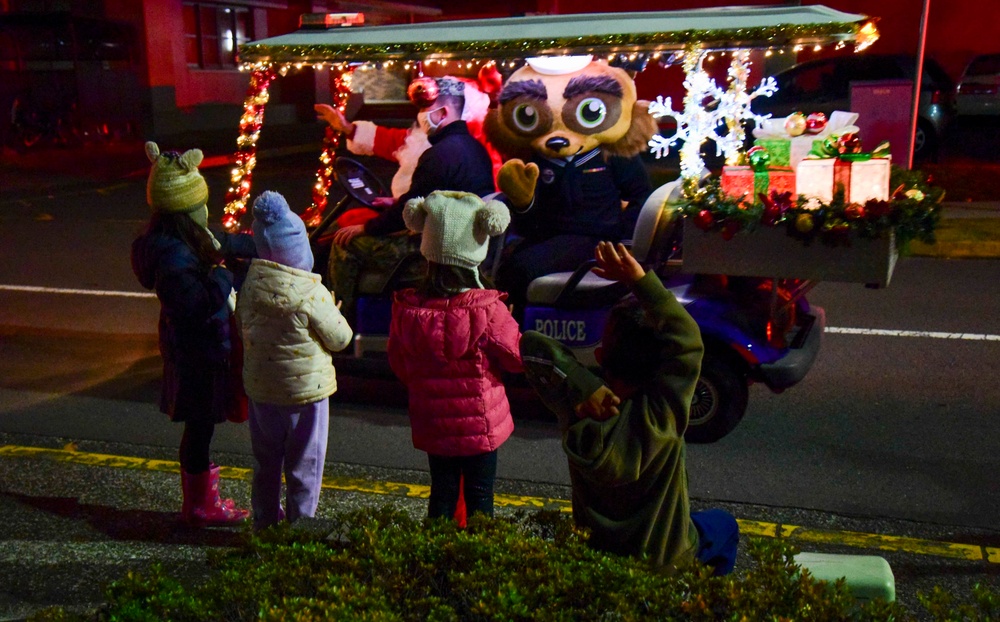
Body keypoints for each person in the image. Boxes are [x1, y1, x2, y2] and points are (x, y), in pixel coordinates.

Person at [519, 241, 739, 574]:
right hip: (664, 557)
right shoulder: (660, 410)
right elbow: (688, 341)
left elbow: (532, 345)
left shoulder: (576, 408)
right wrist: (641, 280)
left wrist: (582, 384)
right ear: (656, 364)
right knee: (725, 527)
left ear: (600, 357)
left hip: (599, 557)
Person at [131, 141, 256, 527]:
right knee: (199, 428)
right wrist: (223, 274)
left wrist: (242, 245)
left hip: (192, 349)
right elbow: (198, 306)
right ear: (187, 210)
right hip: (196, 352)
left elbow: (220, 241)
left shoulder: (176, 241)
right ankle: (201, 506)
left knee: (200, 427)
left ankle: (201, 501)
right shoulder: (176, 258)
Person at [387, 190, 522, 520]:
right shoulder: (488, 310)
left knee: (442, 494)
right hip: (481, 425)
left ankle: (435, 560)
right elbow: (515, 358)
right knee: (480, 497)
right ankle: (475, 564)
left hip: (433, 423)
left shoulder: (408, 310)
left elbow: (399, 363)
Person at [325, 77, 496, 320]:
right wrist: (394, 203)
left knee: (345, 242)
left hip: (431, 253)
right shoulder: (473, 149)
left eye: (426, 110)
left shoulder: (438, 155)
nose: (422, 117)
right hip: (463, 244)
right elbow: (427, 198)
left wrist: (365, 228)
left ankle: (339, 324)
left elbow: (408, 212)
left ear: (443, 112)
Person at [235, 191, 354, 531]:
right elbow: (340, 338)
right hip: (306, 394)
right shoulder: (311, 292)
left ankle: (265, 525)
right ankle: (301, 529)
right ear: (298, 247)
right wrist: (333, 307)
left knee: (266, 462)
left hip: (261, 391)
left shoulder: (250, 286)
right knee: (304, 464)